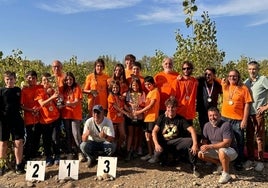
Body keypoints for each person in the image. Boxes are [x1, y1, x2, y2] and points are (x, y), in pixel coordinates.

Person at [151, 96, 200, 177]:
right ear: (166, 108)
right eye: (169, 107)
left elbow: (192, 130)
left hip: (176, 143)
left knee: (190, 141)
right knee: (160, 156)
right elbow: (154, 131)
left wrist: (195, 144)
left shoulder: (180, 119)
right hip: (163, 143)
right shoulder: (162, 118)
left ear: (176, 108)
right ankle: (166, 158)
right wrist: (156, 144)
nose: (170, 109)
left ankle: (193, 166)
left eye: (173, 107)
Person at [221, 69, 252, 171]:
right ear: (227, 77)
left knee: (239, 141)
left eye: (234, 76)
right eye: (230, 76)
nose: (232, 78)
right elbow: (214, 79)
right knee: (224, 140)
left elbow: (248, 105)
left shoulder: (243, 89)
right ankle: (223, 159)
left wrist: (244, 120)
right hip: (224, 118)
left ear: (238, 77)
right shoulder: (225, 86)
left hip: (237, 120)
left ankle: (239, 161)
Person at [198, 107, 238, 184]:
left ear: (220, 115)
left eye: (215, 115)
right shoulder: (206, 125)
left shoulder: (226, 125)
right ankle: (219, 164)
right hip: (216, 149)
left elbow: (227, 143)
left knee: (222, 150)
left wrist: (210, 146)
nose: (212, 118)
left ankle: (226, 174)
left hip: (230, 150)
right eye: (210, 115)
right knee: (200, 154)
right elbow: (205, 141)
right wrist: (203, 146)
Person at [243, 61, 268, 171]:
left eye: (254, 69)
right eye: (250, 69)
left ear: (258, 69)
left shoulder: (263, 79)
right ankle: (250, 159)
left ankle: (260, 161)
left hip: (258, 114)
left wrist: (265, 107)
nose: (252, 71)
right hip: (248, 114)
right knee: (248, 138)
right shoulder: (246, 82)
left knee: (259, 138)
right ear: (247, 70)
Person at [0, 71, 26, 175]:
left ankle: (19, 165)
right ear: (4, 80)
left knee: (18, 142)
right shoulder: (1, 91)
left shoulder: (18, 90)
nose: (9, 81)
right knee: (3, 143)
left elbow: (22, 104)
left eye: (11, 79)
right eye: (7, 79)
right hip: (4, 120)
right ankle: (1, 166)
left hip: (16, 119)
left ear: (15, 79)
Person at [36, 73, 62, 166]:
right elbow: (42, 104)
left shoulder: (53, 90)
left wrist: (58, 97)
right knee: (46, 140)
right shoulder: (38, 91)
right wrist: (52, 97)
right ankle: (48, 157)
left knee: (55, 139)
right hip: (44, 120)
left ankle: (57, 155)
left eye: (47, 80)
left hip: (55, 118)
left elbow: (58, 102)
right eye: (44, 80)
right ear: (41, 81)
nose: (46, 82)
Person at [134, 76, 160, 162]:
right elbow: (146, 105)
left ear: (153, 84)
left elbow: (151, 105)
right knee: (147, 136)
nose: (147, 86)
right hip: (147, 118)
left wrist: (139, 111)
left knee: (152, 137)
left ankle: (155, 155)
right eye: (145, 85)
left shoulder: (155, 92)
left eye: (149, 84)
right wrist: (140, 105)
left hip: (152, 118)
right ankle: (150, 153)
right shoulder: (149, 92)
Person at [59, 72, 83, 160]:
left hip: (75, 115)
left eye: (71, 79)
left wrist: (65, 104)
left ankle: (80, 152)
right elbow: (60, 100)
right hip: (66, 115)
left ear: (73, 79)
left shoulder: (76, 88)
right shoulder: (64, 90)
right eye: (67, 80)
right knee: (68, 134)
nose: (69, 81)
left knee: (76, 134)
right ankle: (70, 152)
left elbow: (76, 102)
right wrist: (61, 104)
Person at [21, 70, 43, 161]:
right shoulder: (24, 90)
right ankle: (27, 157)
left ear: (36, 79)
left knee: (37, 137)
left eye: (33, 78)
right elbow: (21, 106)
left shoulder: (40, 87)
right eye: (29, 78)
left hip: (40, 117)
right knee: (29, 138)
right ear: (26, 79)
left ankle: (34, 155)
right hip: (29, 119)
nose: (31, 80)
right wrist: (31, 110)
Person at [196, 67, 222, 136]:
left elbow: (224, 85)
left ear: (214, 75)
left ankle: (213, 144)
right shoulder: (200, 83)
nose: (207, 76)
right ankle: (205, 144)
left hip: (213, 112)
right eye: (206, 74)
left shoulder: (217, 84)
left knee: (214, 129)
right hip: (202, 111)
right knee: (203, 129)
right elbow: (193, 79)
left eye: (210, 74)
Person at [125, 77, 146, 161]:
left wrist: (140, 104)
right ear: (131, 85)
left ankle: (135, 149)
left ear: (139, 85)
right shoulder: (129, 93)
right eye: (133, 85)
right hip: (131, 115)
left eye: (137, 85)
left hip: (139, 115)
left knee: (137, 134)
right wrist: (131, 104)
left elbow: (144, 103)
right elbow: (126, 102)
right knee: (130, 134)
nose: (135, 87)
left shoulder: (142, 93)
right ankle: (128, 150)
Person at [107, 80, 130, 154]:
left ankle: (118, 148)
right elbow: (116, 107)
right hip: (112, 118)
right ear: (111, 88)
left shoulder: (120, 96)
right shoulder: (110, 96)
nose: (115, 89)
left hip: (120, 118)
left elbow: (124, 106)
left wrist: (131, 112)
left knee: (123, 135)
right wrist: (126, 113)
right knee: (112, 136)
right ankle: (112, 151)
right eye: (113, 88)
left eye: (117, 87)